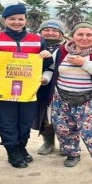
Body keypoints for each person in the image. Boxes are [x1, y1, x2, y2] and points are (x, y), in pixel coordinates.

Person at [0, 4, 52, 168]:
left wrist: (47, 56)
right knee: (7, 123)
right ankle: (12, 152)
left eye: (20, 19)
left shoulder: (37, 40)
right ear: (4, 20)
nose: (16, 22)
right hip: (2, 89)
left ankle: (21, 147)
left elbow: (45, 66)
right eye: (12, 19)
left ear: (25, 20)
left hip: (28, 90)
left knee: (25, 122)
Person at [42, 21, 92, 175]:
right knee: (63, 129)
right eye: (79, 34)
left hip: (90, 99)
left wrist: (85, 63)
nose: (84, 38)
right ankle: (72, 154)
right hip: (61, 97)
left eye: (89, 35)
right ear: (72, 36)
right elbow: (51, 69)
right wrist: (45, 79)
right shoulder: (62, 51)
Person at [32, 19, 67, 155]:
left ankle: (66, 143)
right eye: (46, 30)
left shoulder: (68, 47)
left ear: (61, 34)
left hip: (61, 86)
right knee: (44, 115)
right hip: (40, 86)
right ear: (40, 32)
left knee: (63, 116)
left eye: (55, 30)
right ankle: (48, 142)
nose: (50, 33)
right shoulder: (34, 45)